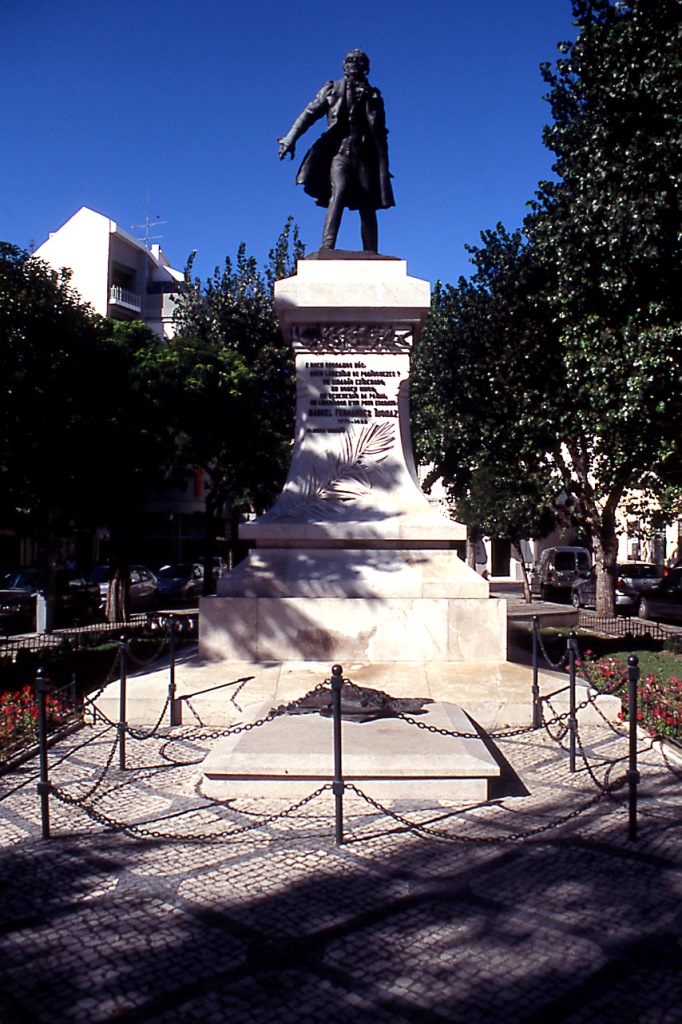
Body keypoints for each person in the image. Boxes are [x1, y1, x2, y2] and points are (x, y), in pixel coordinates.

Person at [278, 49, 395, 252]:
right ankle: (328, 246)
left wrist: (384, 165)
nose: (354, 64)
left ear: (366, 67)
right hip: (339, 154)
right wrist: (290, 138)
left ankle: (371, 252)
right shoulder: (333, 90)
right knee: (338, 191)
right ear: (344, 65)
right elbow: (309, 114)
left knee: (367, 203)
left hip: (364, 156)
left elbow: (381, 132)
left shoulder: (374, 95)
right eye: (350, 61)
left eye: (359, 61)